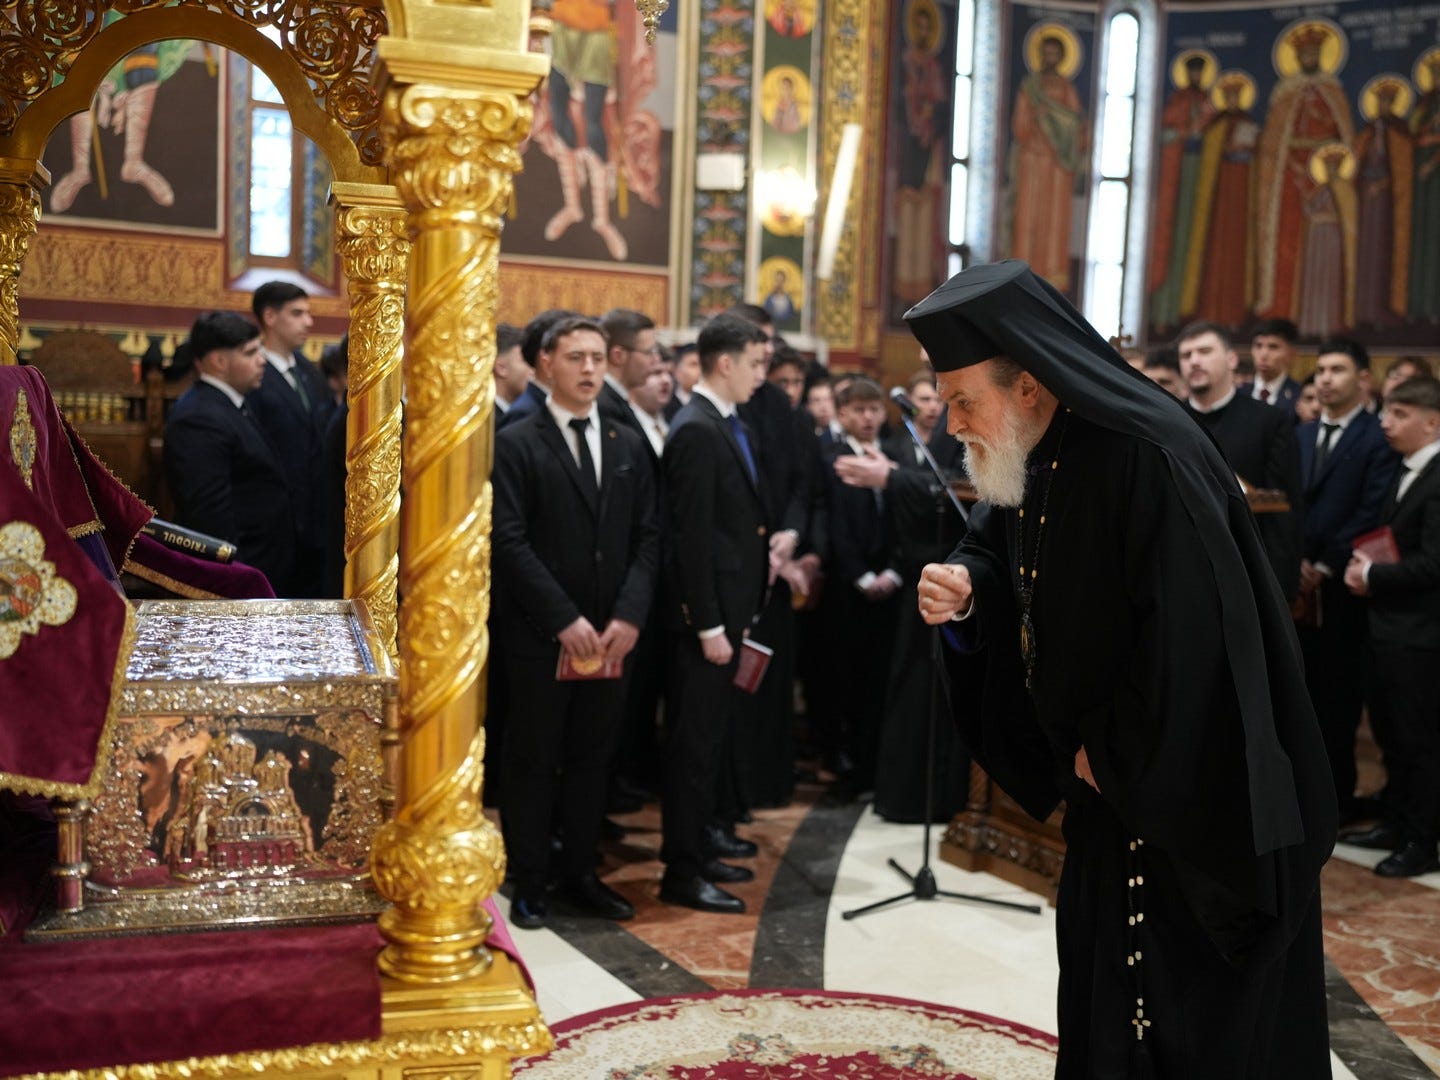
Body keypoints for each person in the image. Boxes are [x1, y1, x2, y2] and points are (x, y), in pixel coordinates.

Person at [908, 260, 1335, 1078]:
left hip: (1189, 810)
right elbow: (997, 545)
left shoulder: (1146, 453)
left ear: (1028, 385)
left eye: (962, 399)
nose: (951, 422)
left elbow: (1196, 641)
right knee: (1102, 1001)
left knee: (1179, 1026)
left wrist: (1114, 754)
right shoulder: (1037, 445)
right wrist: (966, 586)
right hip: (1109, 791)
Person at [491, 316, 658, 929]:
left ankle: (581, 872)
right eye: (574, 357)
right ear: (545, 364)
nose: (589, 369)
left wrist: (629, 616)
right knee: (534, 757)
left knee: (593, 756)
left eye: (596, 358)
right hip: (542, 634)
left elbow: (649, 537)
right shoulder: (516, 441)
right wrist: (563, 619)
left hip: (611, 634)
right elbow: (508, 541)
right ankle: (530, 878)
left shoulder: (626, 442)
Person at [659, 313, 771, 913]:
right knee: (693, 750)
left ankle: (701, 847)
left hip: (730, 614)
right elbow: (690, 538)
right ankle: (681, 871)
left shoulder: (723, 422)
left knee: (710, 743)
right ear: (725, 363)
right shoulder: (697, 430)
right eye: (755, 363)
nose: (761, 375)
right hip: (707, 624)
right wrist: (707, 624)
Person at [1295, 338, 1398, 826]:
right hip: (1295, 583)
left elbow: (1372, 511)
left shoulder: (1377, 438)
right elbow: (1289, 502)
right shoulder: (1301, 434)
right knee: (1299, 696)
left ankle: (1336, 802)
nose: (1325, 379)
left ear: (1363, 379)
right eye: (1320, 370)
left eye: (1337, 369)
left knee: (1337, 701)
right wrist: (1294, 559)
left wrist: (1323, 564)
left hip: (1343, 589)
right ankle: (1300, 798)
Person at [1343, 375, 1440, 878]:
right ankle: (1396, 823)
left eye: (1400, 414)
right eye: (1386, 412)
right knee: (1391, 736)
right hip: (1388, 629)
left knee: (1418, 742)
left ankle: (1423, 840)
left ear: (1432, 422)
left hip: (1419, 637)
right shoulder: (1405, 468)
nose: (1386, 422)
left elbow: (1434, 565)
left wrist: (1372, 575)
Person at [163, 312, 294, 594]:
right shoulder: (199, 418)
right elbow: (211, 519)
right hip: (238, 576)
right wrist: (240, 581)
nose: (262, 360)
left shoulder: (229, 403)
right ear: (219, 362)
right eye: (250, 352)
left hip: (263, 564)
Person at [1178, 320, 1302, 600]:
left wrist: (1281, 589)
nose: (1194, 361)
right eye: (1186, 355)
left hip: (1248, 573)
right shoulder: (1169, 420)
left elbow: (1284, 508)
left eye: (1204, 351)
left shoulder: (1269, 421)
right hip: (1185, 572)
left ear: (1232, 359)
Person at [246, 281, 332, 597]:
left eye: (308, 313)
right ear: (270, 316)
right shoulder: (253, 374)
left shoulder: (310, 373)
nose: (308, 322)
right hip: (274, 523)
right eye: (297, 313)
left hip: (315, 517)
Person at [1006, 33, 1086, 290]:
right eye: (1046, 53)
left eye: (1055, 54)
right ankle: (1020, 277)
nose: (1050, 59)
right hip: (1032, 162)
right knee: (1028, 219)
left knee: (1054, 224)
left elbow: (1077, 127)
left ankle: (1052, 279)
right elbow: (1019, 127)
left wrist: (1058, 124)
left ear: (1061, 58)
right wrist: (1034, 118)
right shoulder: (1029, 87)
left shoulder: (1066, 89)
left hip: (1057, 169)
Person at [1246, 318, 1303, 415]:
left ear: (1292, 354)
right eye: (1258, 346)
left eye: (1273, 347)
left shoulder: (1299, 396)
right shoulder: (1238, 393)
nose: (1263, 354)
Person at [493, 322, 530, 422]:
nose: (533, 370)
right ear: (501, 368)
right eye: (526, 361)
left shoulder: (518, 414)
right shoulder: (489, 423)